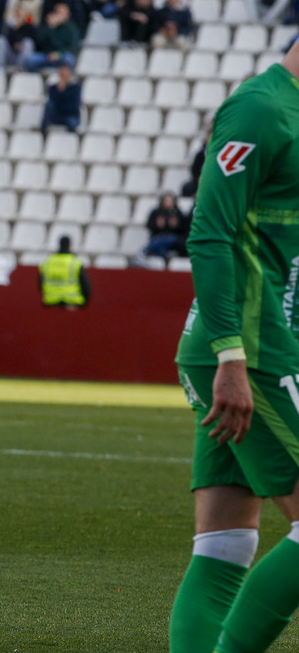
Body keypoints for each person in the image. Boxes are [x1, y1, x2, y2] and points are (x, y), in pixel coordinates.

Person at [169, 36, 299, 653]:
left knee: (225, 541)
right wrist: (231, 357)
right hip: (246, 350)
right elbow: (209, 234)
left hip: (265, 343)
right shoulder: (260, 109)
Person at [38, 236, 89, 308]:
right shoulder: (75, 262)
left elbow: (40, 286)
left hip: (51, 304)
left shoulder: (47, 262)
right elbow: (86, 287)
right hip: (72, 304)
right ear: (70, 245)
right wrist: (84, 304)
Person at [142, 192, 187, 259]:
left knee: (169, 239)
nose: (168, 203)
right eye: (166, 201)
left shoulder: (178, 213)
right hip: (157, 236)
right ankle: (163, 255)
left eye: (170, 201)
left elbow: (184, 228)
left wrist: (175, 226)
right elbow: (149, 225)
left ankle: (147, 250)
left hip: (173, 239)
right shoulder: (156, 212)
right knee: (160, 245)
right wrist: (157, 225)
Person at [40, 63, 82, 134]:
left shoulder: (75, 88)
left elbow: (74, 106)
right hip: (57, 115)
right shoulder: (53, 88)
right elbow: (52, 103)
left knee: (72, 124)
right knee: (48, 107)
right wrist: (60, 90)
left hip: (70, 115)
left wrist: (62, 94)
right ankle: (42, 135)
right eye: (61, 74)